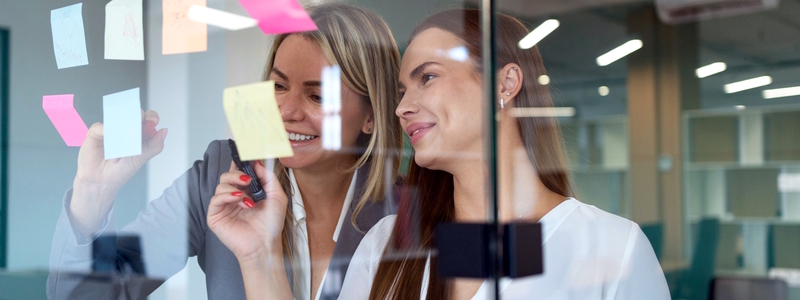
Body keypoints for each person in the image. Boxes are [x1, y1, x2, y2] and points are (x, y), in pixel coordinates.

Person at [47, 3, 403, 300]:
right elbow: (80, 295)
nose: (286, 111)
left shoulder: (406, 211)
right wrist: (92, 192)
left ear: (370, 116)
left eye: (317, 95)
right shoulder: (222, 175)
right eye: (278, 86)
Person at [338, 9, 671, 300]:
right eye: (401, 92)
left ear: (504, 84)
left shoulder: (611, 245)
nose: (402, 108)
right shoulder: (385, 244)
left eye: (427, 77)